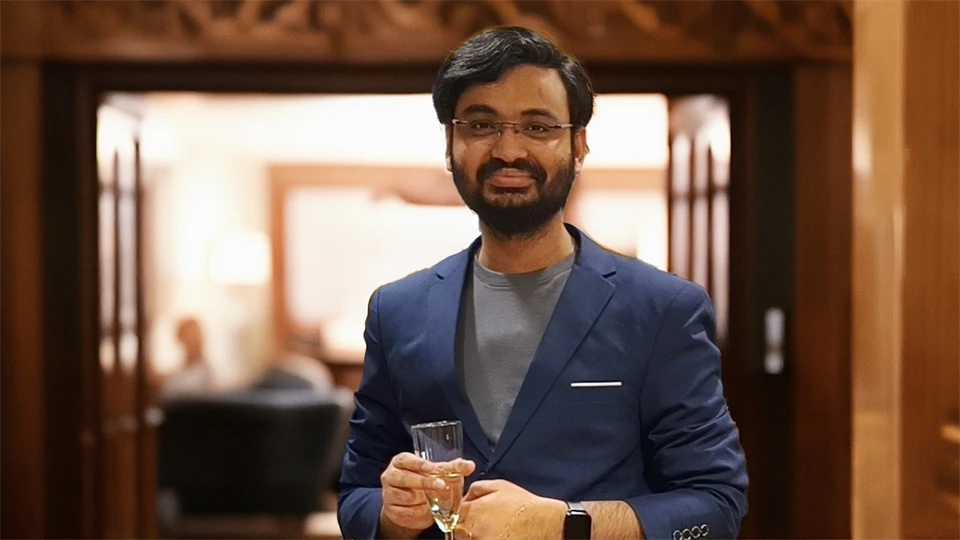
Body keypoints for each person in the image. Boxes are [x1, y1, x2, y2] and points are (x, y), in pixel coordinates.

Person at [338, 26, 748, 540]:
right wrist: (390, 513)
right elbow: (356, 495)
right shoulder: (396, 310)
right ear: (451, 143)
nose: (508, 150)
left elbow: (715, 505)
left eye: (538, 127)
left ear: (578, 144)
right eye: (482, 124)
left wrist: (563, 522)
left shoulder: (662, 309)